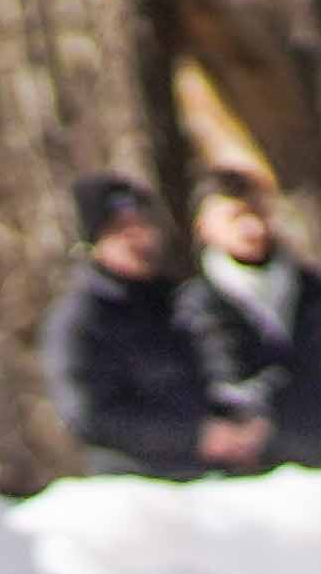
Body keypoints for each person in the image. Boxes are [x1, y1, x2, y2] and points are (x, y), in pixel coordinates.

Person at [181, 167, 321, 470]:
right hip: (244, 480)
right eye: (236, 216)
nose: (252, 226)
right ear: (204, 226)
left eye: (259, 212)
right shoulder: (192, 308)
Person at [39, 173, 219, 476]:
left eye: (143, 225)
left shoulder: (178, 300)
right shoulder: (80, 319)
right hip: (134, 488)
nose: (137, 238)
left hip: (209, 478)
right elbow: (88, 415)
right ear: (93, 241)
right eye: (119, 229)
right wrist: (194, 436)